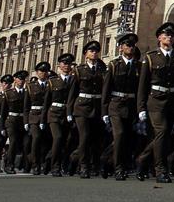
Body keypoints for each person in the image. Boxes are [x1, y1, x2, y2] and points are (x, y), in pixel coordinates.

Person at [138, 22, 174, 183]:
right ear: (159, 38)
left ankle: (143, 159)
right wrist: (141, 107)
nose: (169, 37)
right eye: (166, 35)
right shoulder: (151, 58)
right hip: (155, 101)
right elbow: (143, 85)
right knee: (162, 131)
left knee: (164, 136)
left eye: (172, 35)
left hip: (172, 100)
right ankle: (160, 169)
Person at [102, 33, 140, 181]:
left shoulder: (139, 65)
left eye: (132, 45)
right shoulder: (113, 65)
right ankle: (119, 168)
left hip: (131, 105)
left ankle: (106, 159)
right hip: (116, 104)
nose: (130, 48)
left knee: (128, 138)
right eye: (127, 45)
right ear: (121, 48)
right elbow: (106, 89)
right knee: (119, 134)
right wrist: (105, 111)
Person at [68, 40, 107, 178]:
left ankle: (92, 164)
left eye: (96, 51)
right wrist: (69, 112)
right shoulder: (79, 70)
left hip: (97, 106)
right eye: (91, 51)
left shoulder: (103, 69)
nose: (94, 53)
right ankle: (83, 166)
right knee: (84, 137)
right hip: (82, 107)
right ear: (85, 54)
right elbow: (72, 93)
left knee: (96, 138)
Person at [43, 53, 76, 176]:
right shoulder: (52, 81)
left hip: (67, 114)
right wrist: (43, 120)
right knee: (58, 138)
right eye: (64, 63)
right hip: (54, 114)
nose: (66, 65)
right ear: (59, 65)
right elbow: (46, 102)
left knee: (66, 141)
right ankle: (55, 167)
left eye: (69, 63)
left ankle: (51, 160)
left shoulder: (73, 80)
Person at [24, 61, 51, 175]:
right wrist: (26, 121)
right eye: (41, 71)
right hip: (34, 116)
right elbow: (26, 106)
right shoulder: (31, 86)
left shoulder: (52, 84)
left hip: (48, 115)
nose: (43, 73)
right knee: (36, 138)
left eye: (45, 71)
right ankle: (35, 165)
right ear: (37, 72)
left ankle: (43, 163)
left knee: (46, 142)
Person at [0, 70, 28, 174]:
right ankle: (9, 166)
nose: (21, 81)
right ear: (15, 80)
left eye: (23, 79)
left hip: (22, 121)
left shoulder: (26, 93)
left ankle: (22, 164)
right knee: (13, 142)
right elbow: (4, 111)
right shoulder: (8, 93)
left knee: (23, 144)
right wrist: (2, 127)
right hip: (11, 121)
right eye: (19, 79)